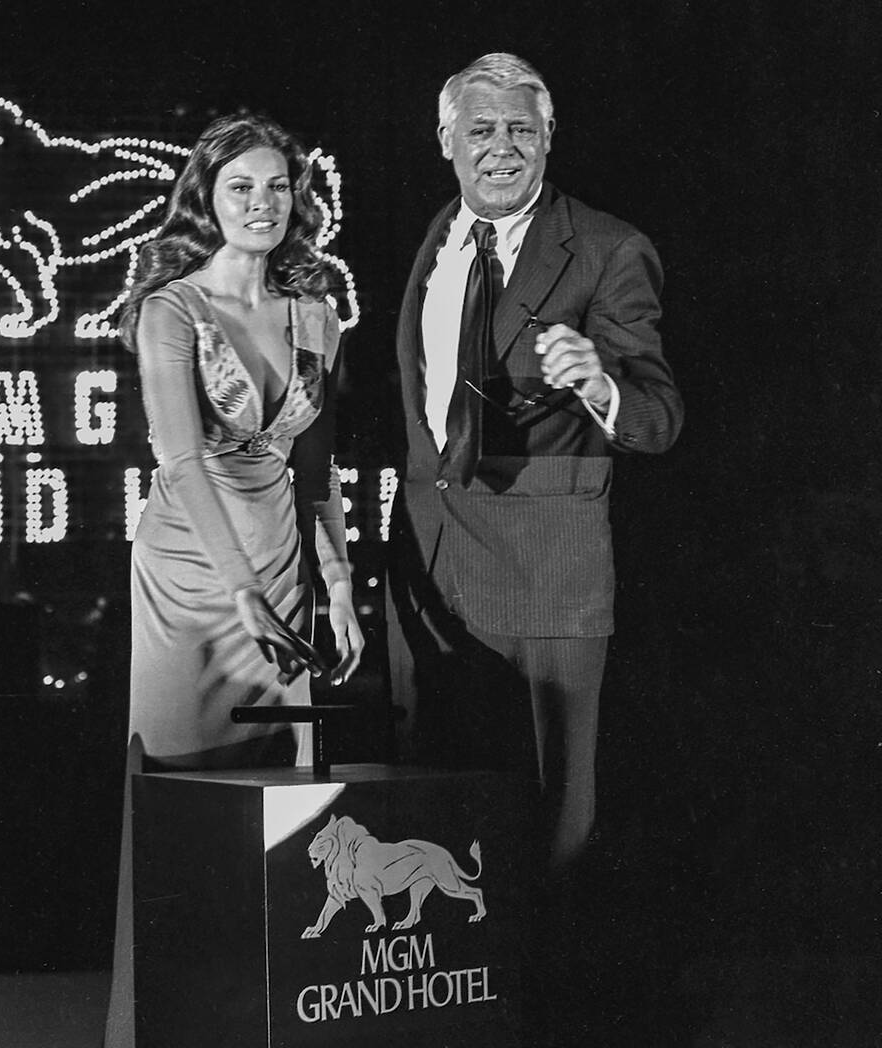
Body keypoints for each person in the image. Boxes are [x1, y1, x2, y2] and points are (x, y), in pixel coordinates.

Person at [104, 112, 365, 1048]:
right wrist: (241, 590)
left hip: (286, 569)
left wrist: (336, 582)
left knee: (286, 805)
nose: (260, 203)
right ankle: (172, 1024)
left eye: (276, 187)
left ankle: (271, 1021)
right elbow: (178, 462)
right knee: (185, 798)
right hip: (190, 579)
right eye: (239, 187)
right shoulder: (169, 309)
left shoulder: (320, 315)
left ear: (297, 201)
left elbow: (317, 473)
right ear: (206, 201)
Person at [387, 52, 683, 875]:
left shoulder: (607, 248)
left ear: (550, 138)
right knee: (430, 816)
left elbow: (658, 418)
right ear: (446, 140)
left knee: (551, 829)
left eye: (522, 128)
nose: (501, 147)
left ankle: (549, 1000)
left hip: (548, 569)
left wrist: (599, 381)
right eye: (481, 130)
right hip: (429, 562)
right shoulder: (435, 237)